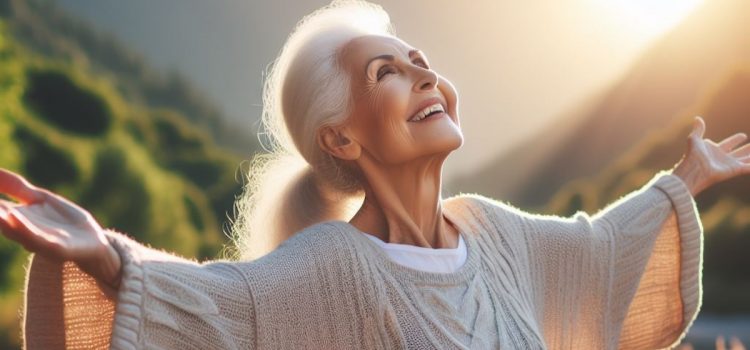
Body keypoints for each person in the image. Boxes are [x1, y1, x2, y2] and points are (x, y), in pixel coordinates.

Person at [1, 0, 749, 349]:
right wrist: (104, 258)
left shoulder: (498, 235)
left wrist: (680, 182)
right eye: (388, 72)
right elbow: (214, 309)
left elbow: (597, 253)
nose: (424, 72)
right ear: (343, 136)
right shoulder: (325, 272)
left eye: (421, 60)